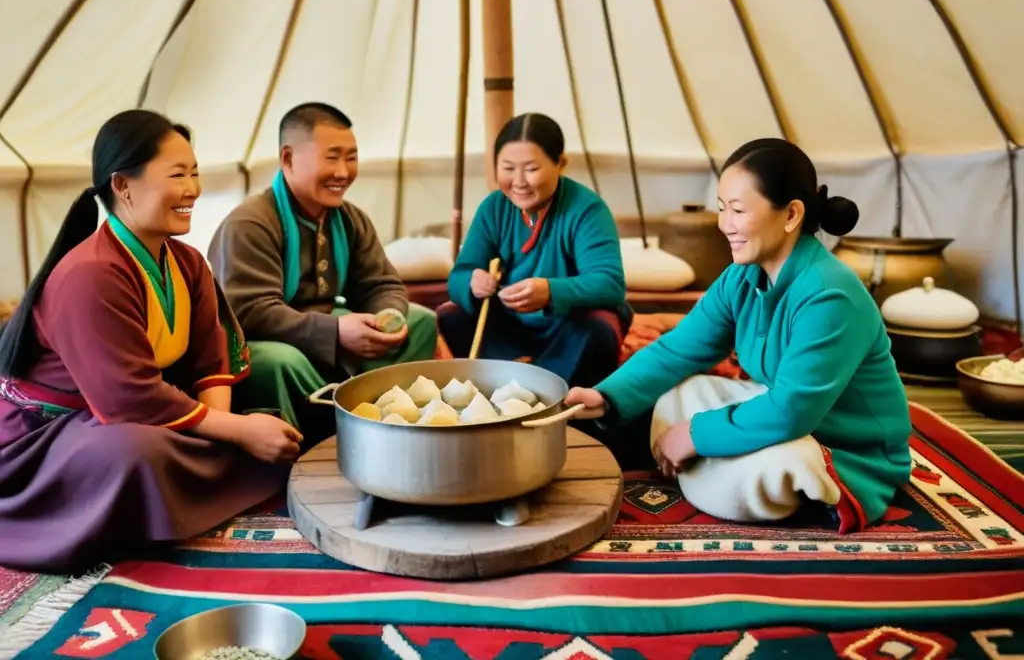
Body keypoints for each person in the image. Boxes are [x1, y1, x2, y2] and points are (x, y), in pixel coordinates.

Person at [0, 110, 302, 573]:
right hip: (44, 437)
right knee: (134, 453)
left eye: (196, 173)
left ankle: (189, 481)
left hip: (137, 416)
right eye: (178, 174)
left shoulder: (188, 262)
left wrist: (220, 428)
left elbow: (211, 358)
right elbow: (127, 398)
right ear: (123, 186)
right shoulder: (89, 274)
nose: (193, 190)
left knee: (258, 395)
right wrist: (236, 433)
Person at [566, 137, 912, 532]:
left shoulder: (829, 295)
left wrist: (695, 434)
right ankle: (713, 469)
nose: (724, 224)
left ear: (791, 214)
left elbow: (791, 411)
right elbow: (678, 349)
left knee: (779, 465)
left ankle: (717, 471)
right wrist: (605, 396)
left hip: (843, 448)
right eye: (721, 208)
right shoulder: (742, 276)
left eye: (738, 210)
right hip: (789, 421)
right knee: (685, 392)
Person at [208, 102, 437, 444]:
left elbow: (382, 283)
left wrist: (384, 319)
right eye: (332, 157)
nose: (343, 172)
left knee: (420, 321)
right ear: (287, 159)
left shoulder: (349, 219)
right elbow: (248, 313)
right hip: (261, 342)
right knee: (281, 361)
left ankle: (382, 424)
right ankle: (308, 446)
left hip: (329, 329)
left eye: (351, 157)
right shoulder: (251, 223)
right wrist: (335, 332)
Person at [438, 113, 631, 390]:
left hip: (566, 327)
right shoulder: (493, 208)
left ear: (560, 163)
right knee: (450, 315)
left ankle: (558, 399)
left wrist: (550, 292)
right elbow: (459, 275)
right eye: (507, 168)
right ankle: (498, 386)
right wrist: (473, 282)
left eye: (531, 169)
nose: (519, 181)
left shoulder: (586, 209)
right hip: (510, 325)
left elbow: (610, 284)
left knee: (598, 330)